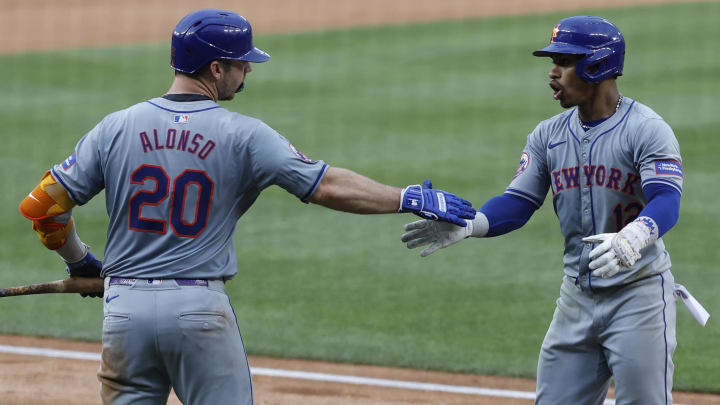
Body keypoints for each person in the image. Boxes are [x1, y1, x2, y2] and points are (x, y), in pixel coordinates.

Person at [17, 9, 475, 405]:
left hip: (123, 309)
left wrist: (81, 261)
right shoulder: (244, 134)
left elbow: (41, 207)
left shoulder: (115, 127)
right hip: (197, 310)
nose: (248, 72)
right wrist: (407, 197)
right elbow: (327, 186)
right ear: (215, 68)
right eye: (241, 64)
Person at [402, 16, 684, 404]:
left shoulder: (646, 130)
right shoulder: (547, 135)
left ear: (597, 64)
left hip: (638, 296)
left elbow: (667, 199)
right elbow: (518, 203)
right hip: (577, 297)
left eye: (564, 62)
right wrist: (473, 224)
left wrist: (636, 235)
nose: (552, 73)